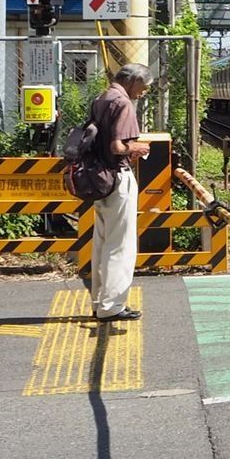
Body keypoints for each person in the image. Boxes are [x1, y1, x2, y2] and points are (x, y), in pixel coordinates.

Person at [90, 63, 153, 322]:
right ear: (133, 81)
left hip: (98, 178)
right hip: (118, 178)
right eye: (144, 87)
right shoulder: (124, 103)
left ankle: (99, 301)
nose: (144, 93)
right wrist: (136, 148)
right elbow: (117, 146)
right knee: (121, 245)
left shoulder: (101, 98)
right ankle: (112, 306)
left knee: (102, 243)